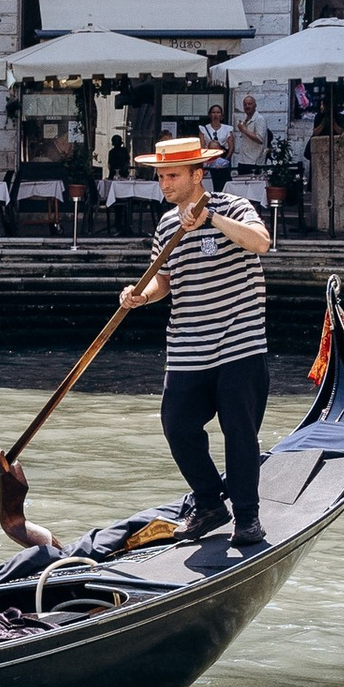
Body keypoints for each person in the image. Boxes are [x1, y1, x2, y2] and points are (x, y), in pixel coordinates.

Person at [120, 131, 273, 554]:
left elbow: (260, 243)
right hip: (188, 346)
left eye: (172, 176)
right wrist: (139, 295)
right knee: (177, 426)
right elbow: (163, 283)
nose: (165, 184)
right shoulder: (167, 224)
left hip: (239, 342)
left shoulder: (234, 207)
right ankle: (209, 503)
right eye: (161, 176)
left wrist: (210, 221)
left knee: (239, 431)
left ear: (198, 174)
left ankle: (247, 517)